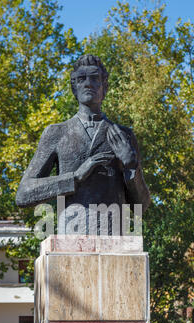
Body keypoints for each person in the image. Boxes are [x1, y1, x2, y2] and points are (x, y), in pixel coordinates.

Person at [16, 54, 150, 234]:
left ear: (105, 87)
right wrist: (75, 178)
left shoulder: (123, 135)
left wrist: (131, 166)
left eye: (95, 78)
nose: (88, 84)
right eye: (81, 79)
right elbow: (24, 194)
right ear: (74, 88)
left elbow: (142, 205)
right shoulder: (57, 133)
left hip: (113, 239)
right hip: (71, 237)